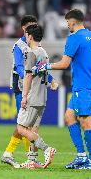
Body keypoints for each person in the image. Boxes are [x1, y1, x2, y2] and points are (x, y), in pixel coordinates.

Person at [33, 9, 91, 169]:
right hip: (88, 84)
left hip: (83, 86)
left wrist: (44, 66)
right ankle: (81, 156)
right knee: (69, 116)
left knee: (85, 120)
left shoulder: (74, 38)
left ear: (73, 22)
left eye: (67, 22)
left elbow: (64, 64)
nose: (67, 25)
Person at [16, 24, 57, 169]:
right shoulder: (43, 52)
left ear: (30, 36)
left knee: (21, 128)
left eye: (26, 35)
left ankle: (47, 149)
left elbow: (28, 75)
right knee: (32, 130)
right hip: (42, 96)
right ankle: (32, 160)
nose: (26, 38)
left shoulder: (30, 52)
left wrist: (24, 96)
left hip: (33, 96)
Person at [2, 15, 38, 169]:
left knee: (27, 123)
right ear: (23, 28)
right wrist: (29, 76)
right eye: (30, 26)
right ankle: (22, 157)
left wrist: (50, 79)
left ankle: (13, 155)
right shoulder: (19, 46)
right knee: (25, 123)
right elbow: (19, 67)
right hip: (20, 86)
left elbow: (41, 65)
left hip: (31, 87)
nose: (32, 29)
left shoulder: (35, 45)